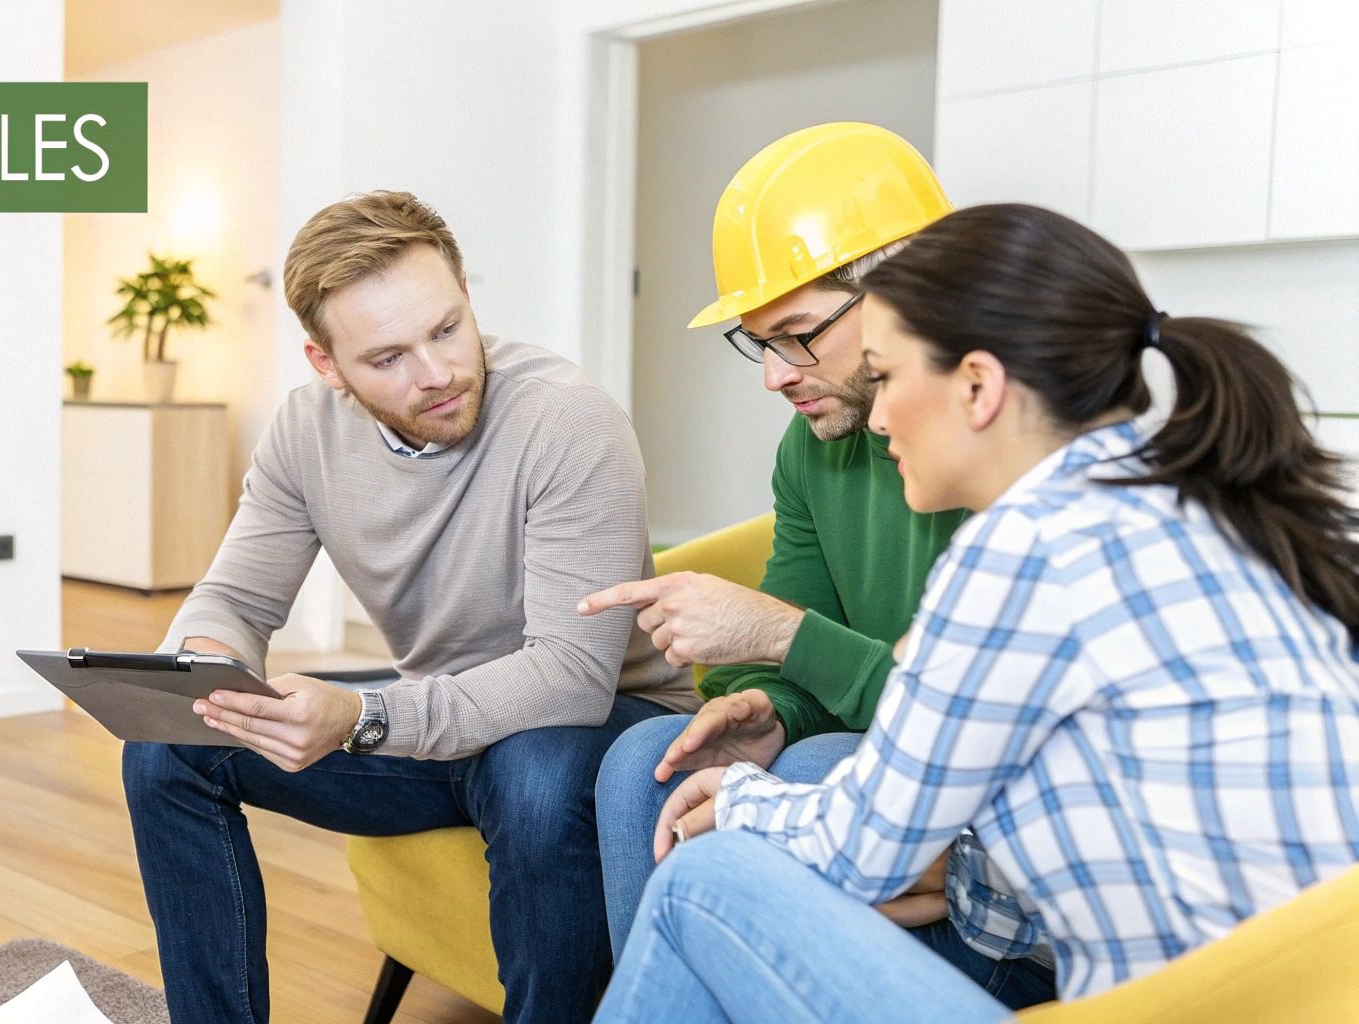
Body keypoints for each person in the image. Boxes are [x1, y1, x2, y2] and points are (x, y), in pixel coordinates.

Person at [595, 202, 1359, 1023]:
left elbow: (860, 850)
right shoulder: (1200, 499)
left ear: (978, 385)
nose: (879, 415)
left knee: (705, 881)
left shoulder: (1025, 548)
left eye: (885, 378)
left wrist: (740, 798)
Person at [119, 190, 694, 1024]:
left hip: (600, 720)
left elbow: (569, 677)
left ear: (466, 296)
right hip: (441, 720)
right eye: (387, 357)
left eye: (447, 328)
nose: (437, 373)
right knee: (167, 748)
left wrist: (361, 717)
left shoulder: (569, 420)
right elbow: (238, 597)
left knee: (531, 772)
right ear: (327, 366)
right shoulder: (306, 431)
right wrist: (209, 672)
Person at [580, 122, 1053, 1004]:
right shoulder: (811, 448)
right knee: (646, 764)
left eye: (799, 334)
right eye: (757, 341)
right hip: (895, 754)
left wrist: (784, 636)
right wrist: (768, 708)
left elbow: (953, 724)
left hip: (954, 788)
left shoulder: (992, 453)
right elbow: (798, 662)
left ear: (907, 297)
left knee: (813, 768)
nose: (774, 375)